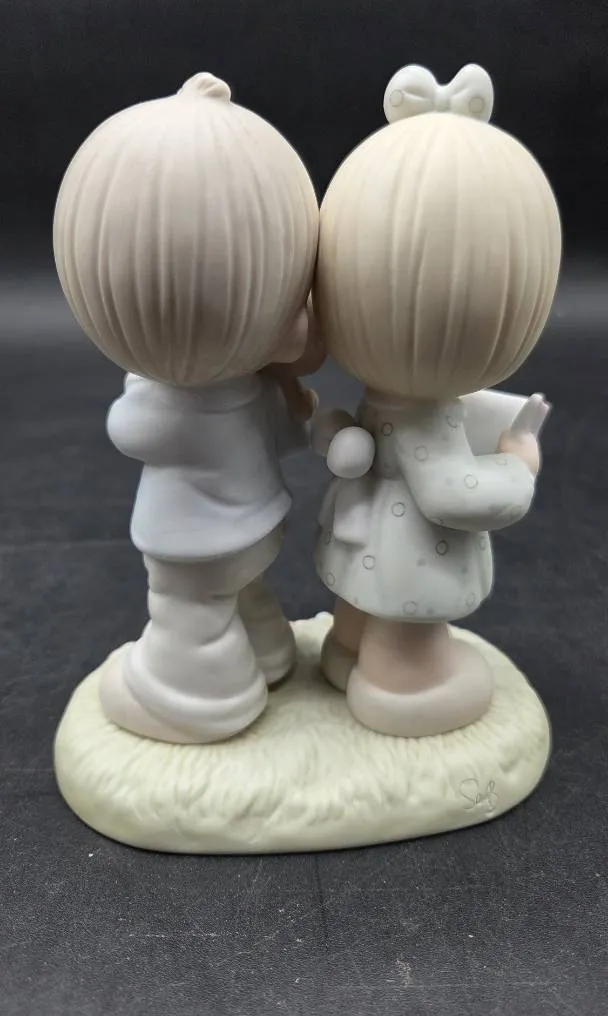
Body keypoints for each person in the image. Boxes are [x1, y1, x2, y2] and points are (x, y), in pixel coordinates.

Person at [54, 72, 321, 743]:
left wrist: (138, 384)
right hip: (260, 525)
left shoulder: (170, 406)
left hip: (196, 545)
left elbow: (128, 430)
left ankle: (202, 695)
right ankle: (269, 651)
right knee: (245, 594)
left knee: (191, 612)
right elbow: (289, 432)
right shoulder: (260, 384)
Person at [312, 63, 562, 738]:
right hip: (408, 559)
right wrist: (519, 461)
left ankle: (346, 650)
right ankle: (400, 686)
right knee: (404, 623)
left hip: (361, 530)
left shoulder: (385, 397)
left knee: (361, 604)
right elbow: (455, 493)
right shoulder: (426, 417)